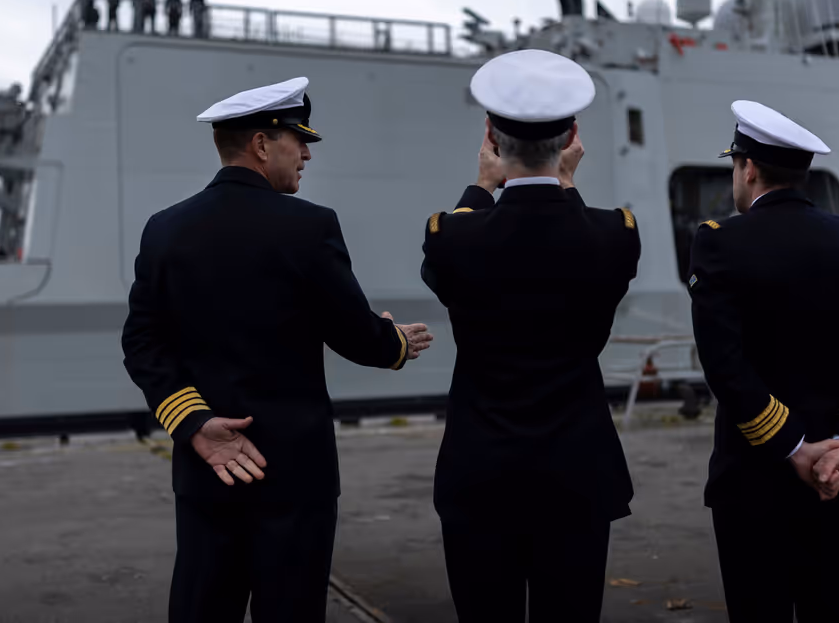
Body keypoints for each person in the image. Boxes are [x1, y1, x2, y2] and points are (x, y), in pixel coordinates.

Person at [121, 76, 433, 623]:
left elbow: (142, 341)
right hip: (294, 476)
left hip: (206, 469)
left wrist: (193, 424)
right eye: (298, 139)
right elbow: (358, 337)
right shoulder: (310, 227)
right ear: (263, 145)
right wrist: (398, 343)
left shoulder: (163, 229)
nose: (307, 153)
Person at [420, 49, 640, 622]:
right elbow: (587, 240)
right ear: (572, 137)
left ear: (490, 135)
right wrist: (565, 186)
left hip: (481, 474)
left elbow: (443, 263)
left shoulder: (452, 239)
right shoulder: (615, 236)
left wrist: (480, 189)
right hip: (577, 473)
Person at [687, 100, 839, 623]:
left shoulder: (721, 243)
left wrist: (793, 449)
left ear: (749, 168)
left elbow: (726, 365)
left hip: (753, 475)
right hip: (837, 480)